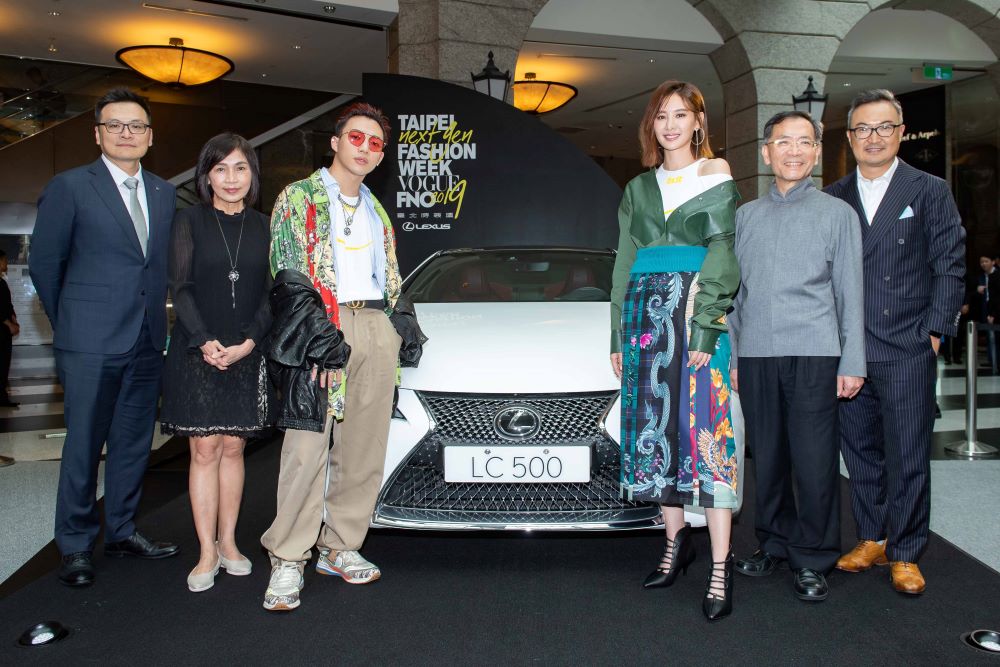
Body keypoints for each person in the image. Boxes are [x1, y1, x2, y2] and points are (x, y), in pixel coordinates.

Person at [29, 87, 179, 587]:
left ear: (150, 136)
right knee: (84, 446)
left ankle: (121, 530)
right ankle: (74, 544)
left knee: (134, 443)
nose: (125, 133)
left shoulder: (162, 192)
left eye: (136, 126)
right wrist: (73, 324)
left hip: (146, 339)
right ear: (97, 134)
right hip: (89, 342)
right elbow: (46, 265)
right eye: (114, 125)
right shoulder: (70, 187)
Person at [260, 102, 403, 612]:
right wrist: (318, 337)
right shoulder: (298, 197)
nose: (365, 148)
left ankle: (341, 545)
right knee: (306, 448)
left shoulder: (375, 208)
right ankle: (288, 556)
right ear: (336, 142)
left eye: (375, 143)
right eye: (356, 137)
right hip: (320, 327)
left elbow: (388, 275)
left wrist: (398, 325)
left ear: (381, 156)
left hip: (373, 325)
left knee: (364, 448)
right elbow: (288, 273)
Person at [825, 89, 966, 595]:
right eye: (863, 128)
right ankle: (872, 537)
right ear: (849, 138)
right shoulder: (833, 196)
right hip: (849, 347)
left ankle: (906, 551)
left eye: (884, 127)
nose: (874, 137)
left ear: (901, 133)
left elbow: (950, 264)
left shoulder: (928, 189)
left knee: (907, 454)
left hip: (907, 344)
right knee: (860, 451)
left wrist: (934, 333)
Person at [610, 81, 741, 621]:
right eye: (661, 115)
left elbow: (724, 254)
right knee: (657, 432)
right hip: (644, 320)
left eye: (680, 114)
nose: (670, 125)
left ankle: (720, 566)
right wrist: (617, 337)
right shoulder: (638, 187)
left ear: (698, 122)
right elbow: (623, 262)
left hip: (696, 315)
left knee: (708, 435)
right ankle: (674, 544)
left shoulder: (715, 173)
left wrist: (706, 327)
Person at [729, 110, 865, 603]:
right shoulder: (746, 216)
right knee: (767, 458)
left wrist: (853, 361)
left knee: (813, 461)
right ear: (766, 152)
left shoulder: (837, 214)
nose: (794, 151)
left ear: (817, 152)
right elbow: (736, 298)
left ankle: (813, 556)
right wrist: (736, 357)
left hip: (815, 352)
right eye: (783, 142)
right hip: (757, 355)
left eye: (804, 142)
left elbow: (850, 292)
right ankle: (774, 542)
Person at [158, 133, 275, 592]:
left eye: (240, 168)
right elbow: (180, 287)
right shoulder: (188, 221)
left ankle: (229, 543)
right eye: (220, 168)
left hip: (247, 351)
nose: (231, 178)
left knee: (233, 448)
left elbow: (272, 294)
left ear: (252, 174)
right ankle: (206, 550)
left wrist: (249, 342)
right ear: (206, 176)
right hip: (197, 351)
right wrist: (205, 340)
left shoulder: (266, 226)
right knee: (204, 449)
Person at [0, 249, 18, 410]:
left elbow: (7, 304)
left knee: (4, 364)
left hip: (5, 332)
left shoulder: (2, 282)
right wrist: (8, 323)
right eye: (4, 260)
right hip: (2, 329)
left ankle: (2, 396)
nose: (6, 263)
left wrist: (13, 318)